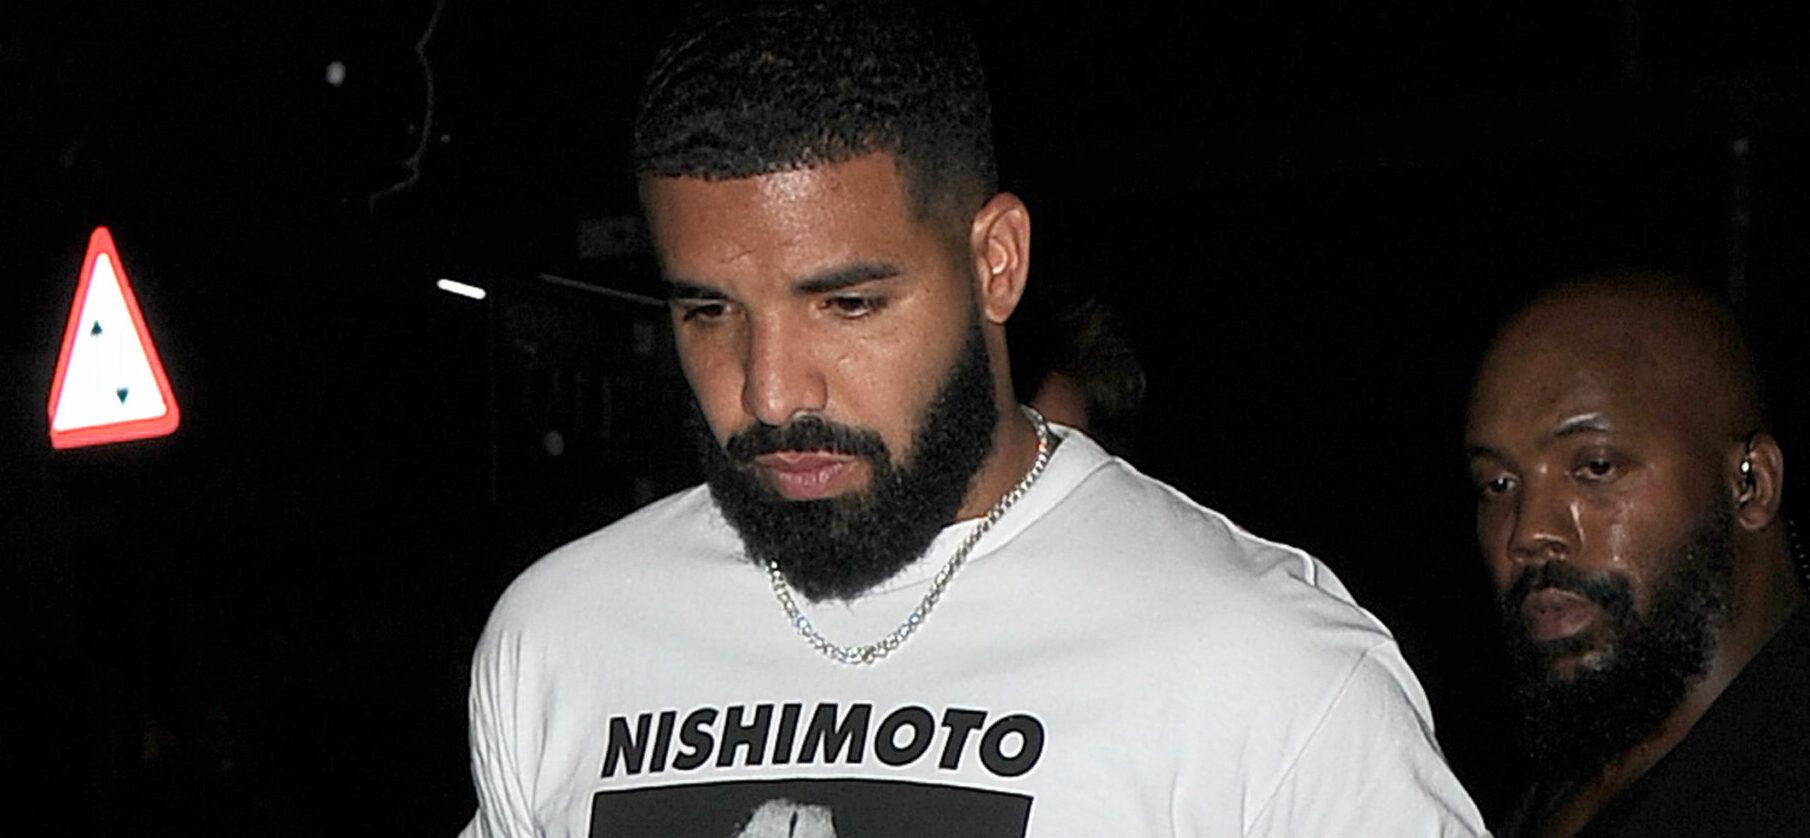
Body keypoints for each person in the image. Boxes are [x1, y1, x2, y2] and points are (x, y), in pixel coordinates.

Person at [462, 2, 1485, 835]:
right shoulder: (561, 638)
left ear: (996, 262)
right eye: (709, 311)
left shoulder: (1264, 672)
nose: (770, 393)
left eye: (847, 304)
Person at [1464, 273, 1810, 837]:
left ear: (1751, 485)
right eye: (1499, 483)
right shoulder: (1577, 767)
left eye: (1596, 467)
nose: (1528, 532)